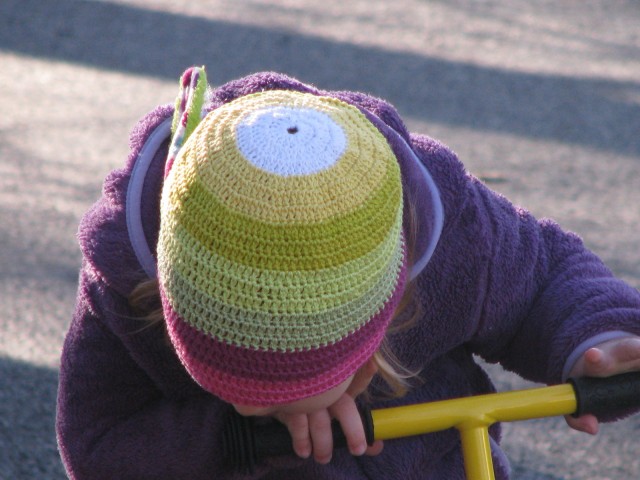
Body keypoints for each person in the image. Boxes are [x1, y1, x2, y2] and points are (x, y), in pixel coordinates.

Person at [56, 66, 640, 480]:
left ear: (380, 325)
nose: (257, 409)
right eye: (239, 390)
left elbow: (542, 275)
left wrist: (598, 336)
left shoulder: (450, 234)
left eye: (281, 393)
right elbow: (97, 442)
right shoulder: (123, 281)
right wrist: (237, 437)